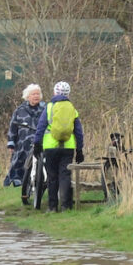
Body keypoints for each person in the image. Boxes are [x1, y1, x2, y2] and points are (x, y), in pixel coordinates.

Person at [38, 80, 84, 211]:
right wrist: (80, 150)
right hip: (68, 148)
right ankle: (65, 206)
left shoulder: (49, 107)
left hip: (50, 147)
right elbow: (78, 132)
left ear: (54, 92)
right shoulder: (72, 109)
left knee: (52, 177)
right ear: (68, 94)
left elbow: (41, 127)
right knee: (65, 176)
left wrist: (37, 143)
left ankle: (52, 207)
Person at [4, 84, 46, 198]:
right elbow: (13, 127)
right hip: (23, 143)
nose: (36, 96)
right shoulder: (20, 110)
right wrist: (11, 142)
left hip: (41, 141)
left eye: (38, 94)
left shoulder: (45, 109)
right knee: (21, 161)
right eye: (33, 94)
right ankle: (23, 183)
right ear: (28, 96)